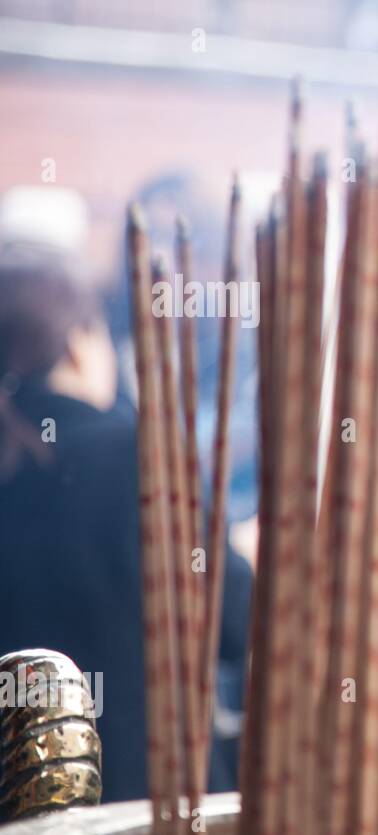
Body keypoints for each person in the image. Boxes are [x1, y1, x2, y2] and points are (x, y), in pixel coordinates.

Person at [0, 244, 253, 803]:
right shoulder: (132, 455)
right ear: (77, 345)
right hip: (150, 815)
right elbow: (236, 621)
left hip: (18, 820)